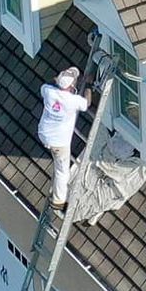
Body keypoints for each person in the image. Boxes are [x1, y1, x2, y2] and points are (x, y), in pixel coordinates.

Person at [37, 67, 90, 206]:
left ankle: (56, 194)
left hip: (44, 134)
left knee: (58, 162)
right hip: (59, 142)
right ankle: (58, 200)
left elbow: (46, 85)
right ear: (72, 86)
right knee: (62, 171)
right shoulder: (72, 100)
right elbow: (86, 104)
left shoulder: (48, 92)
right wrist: (88, 87)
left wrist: (58, 80)